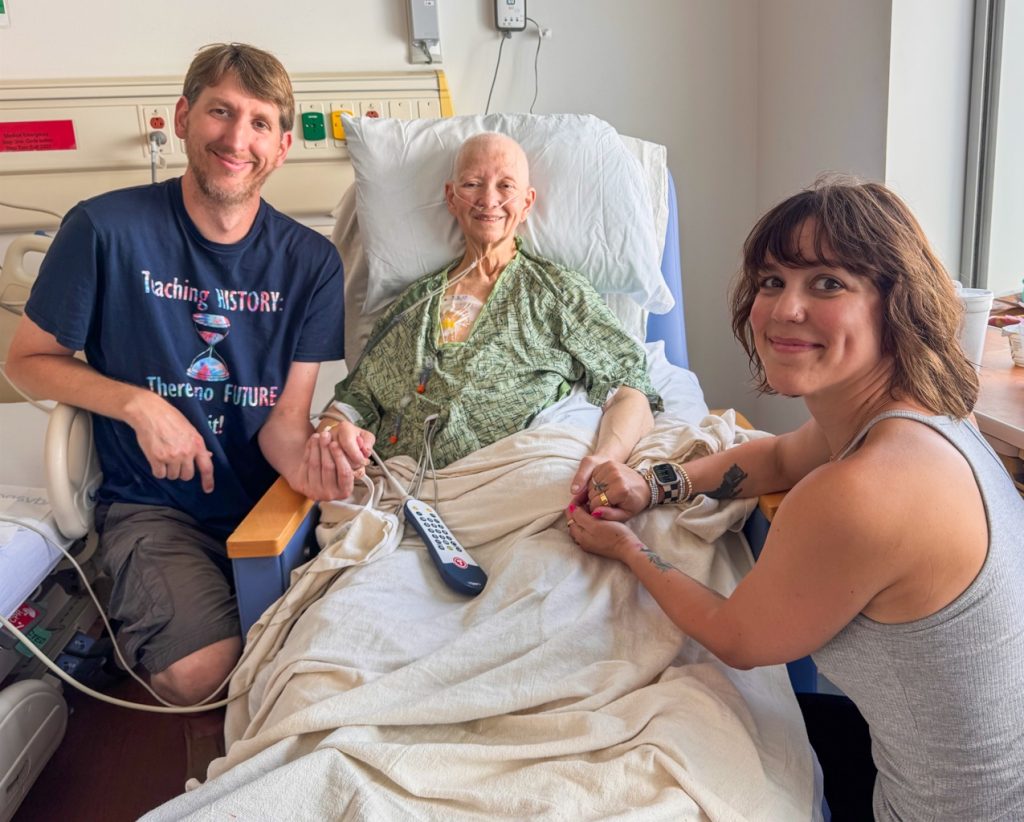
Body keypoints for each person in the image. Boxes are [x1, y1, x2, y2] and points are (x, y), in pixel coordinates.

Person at [564, 177, 1024, 820]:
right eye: (772, 280)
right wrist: (654, 484)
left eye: (828, 283)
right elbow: (778, 456)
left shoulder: (862, 492)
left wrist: (629, 548)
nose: (783, 309)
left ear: (897, 303)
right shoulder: (935, 412)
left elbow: (737, 637)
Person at [6, 43, 371, 706]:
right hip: (155, 505)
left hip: (268, 502)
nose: (237, 138)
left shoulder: (311, 264)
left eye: (260, 123)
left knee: (337, 655)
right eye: (220, 112)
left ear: (283, 146)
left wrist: (323, 465)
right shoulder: (104, 230)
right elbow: (25, 360)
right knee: (199, 678)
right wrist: (141, 407)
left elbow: (284, 425)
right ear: (182, 117)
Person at [320, 132, 662, 495]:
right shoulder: (416, 305)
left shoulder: (558, 293)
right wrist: (332, 437)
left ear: (527, 203)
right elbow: (351, 405)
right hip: (410, 489)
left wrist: (605, 459)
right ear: (451, 198)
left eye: (506, 186)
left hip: (519, 481)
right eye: (472, 184)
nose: (488, 200)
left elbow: (630, 387)